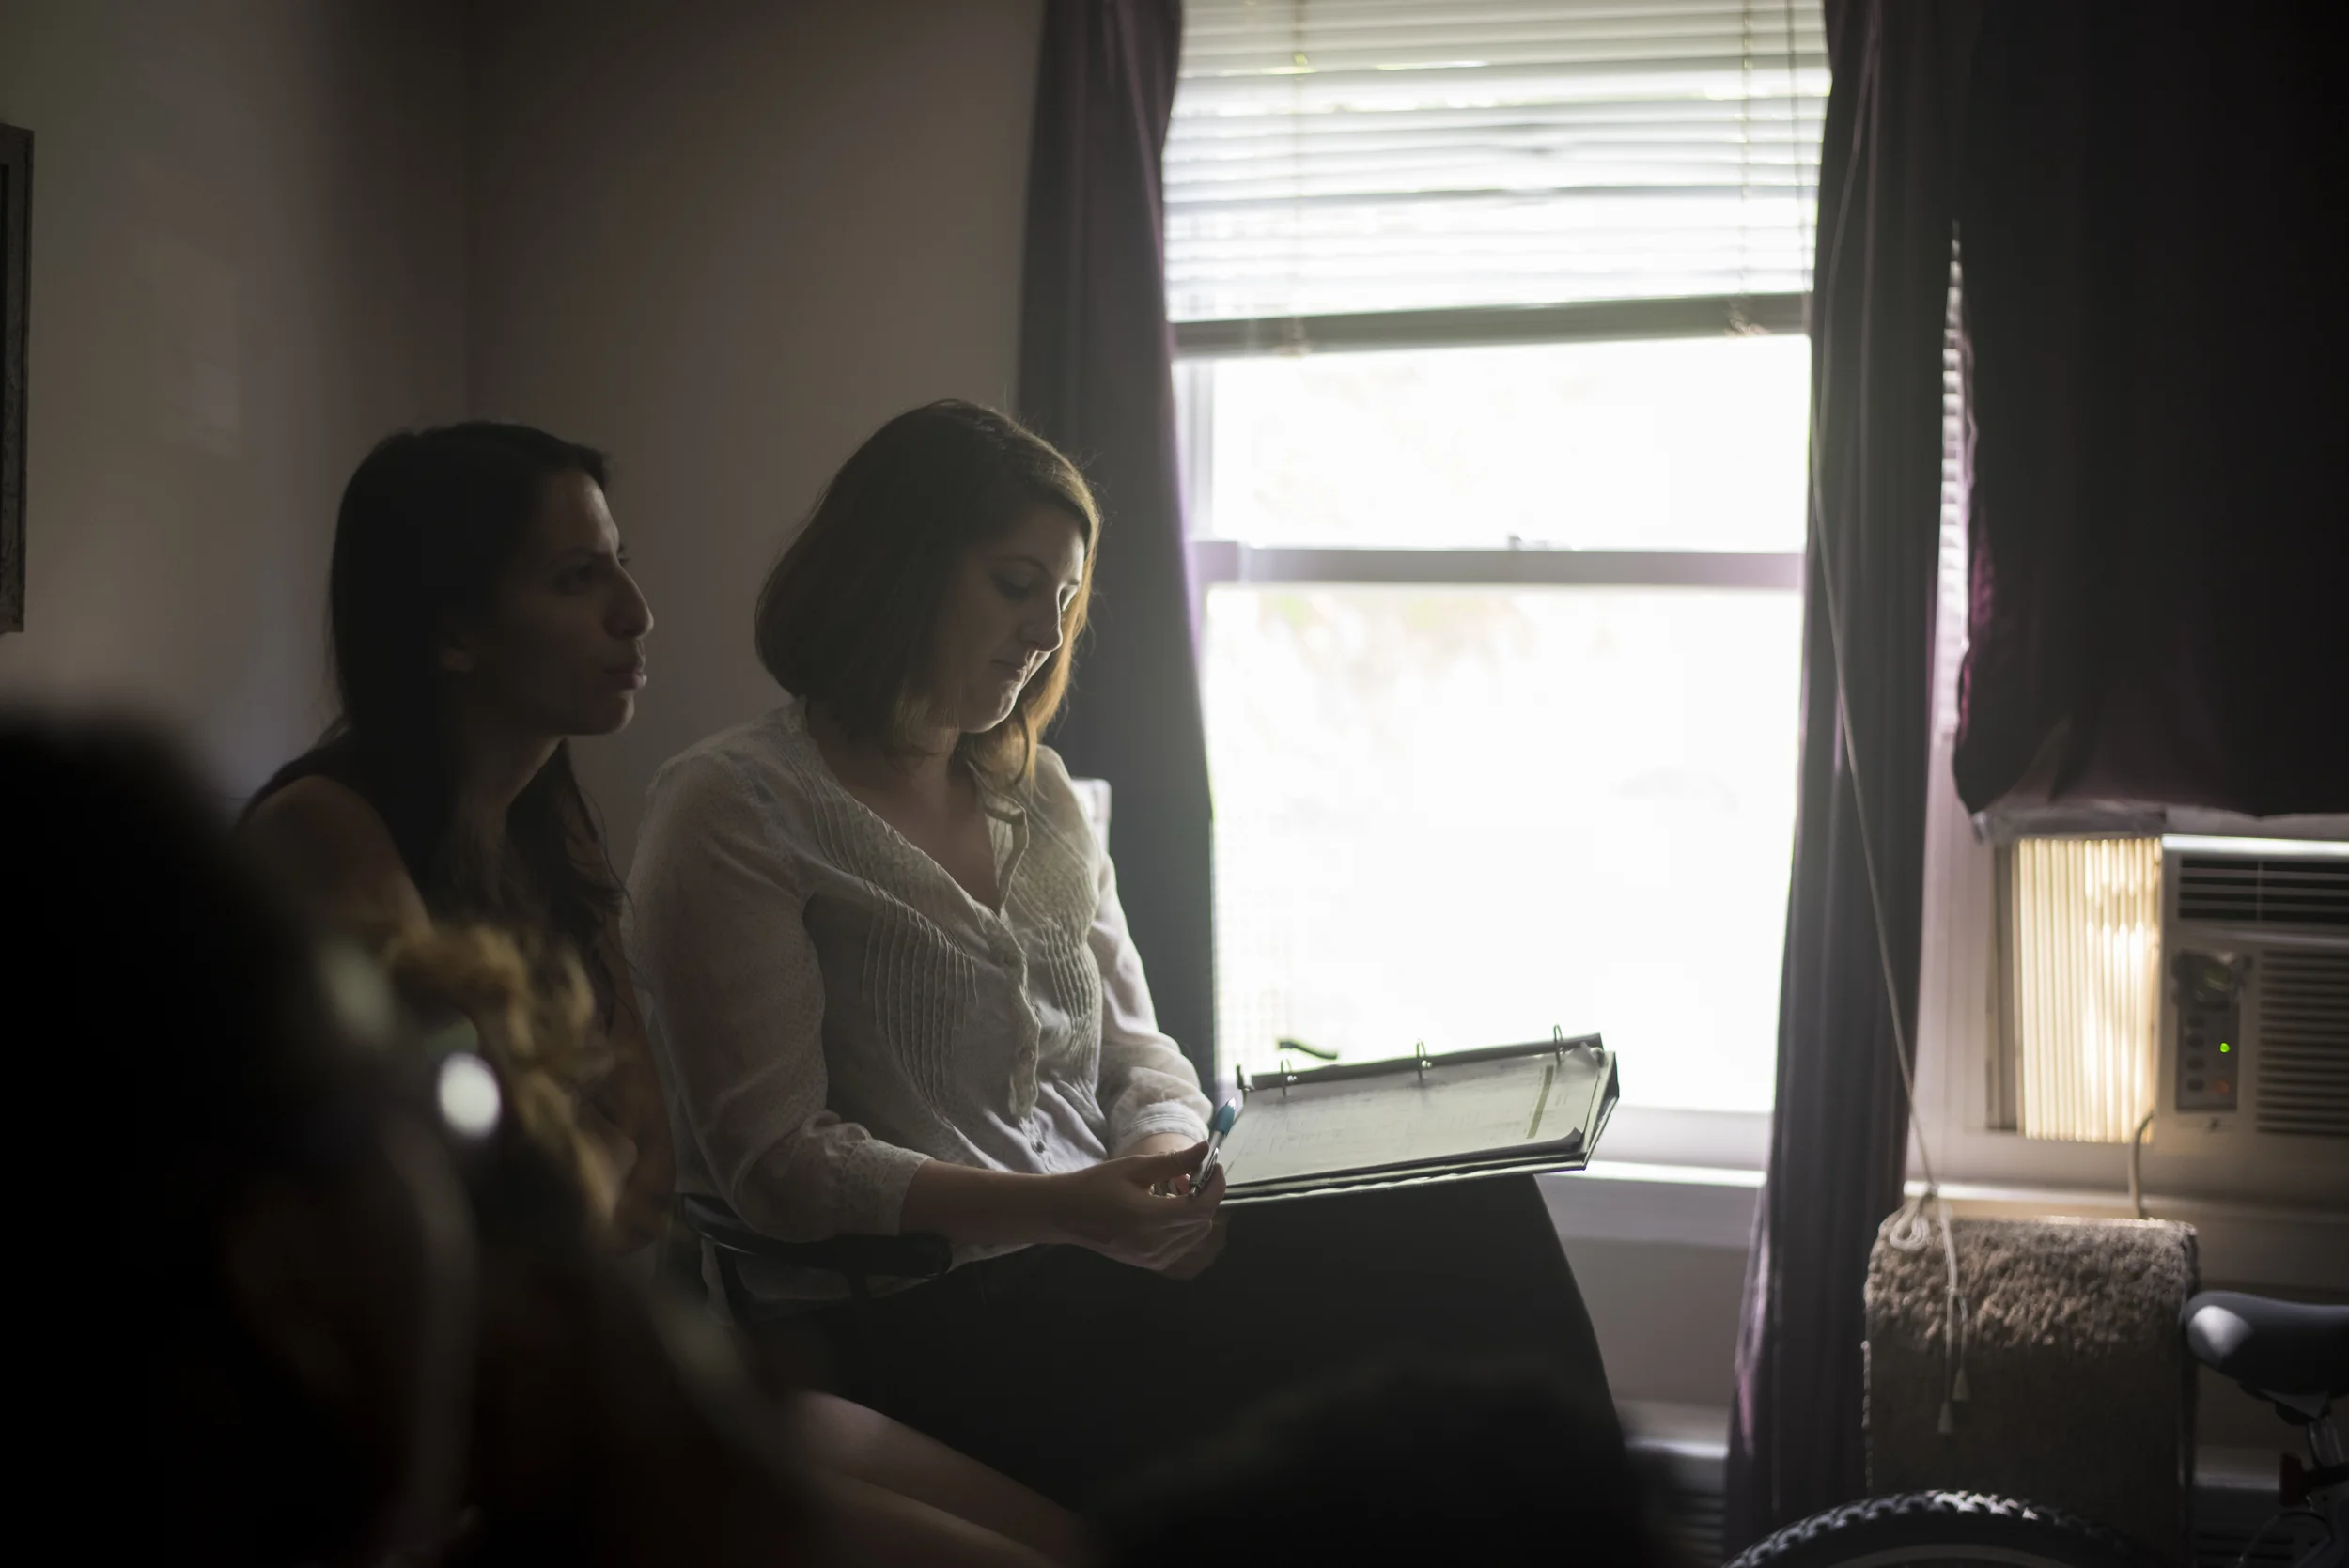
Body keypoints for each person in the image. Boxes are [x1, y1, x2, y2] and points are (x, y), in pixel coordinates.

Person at [629, 400, 1620, 1508]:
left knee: (1467, 1200)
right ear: (895, 566)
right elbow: (778, 1165)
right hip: (915, 1317)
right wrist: (1066, 1208)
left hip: (1094, 1263)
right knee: (1405, 1333)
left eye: (1063, 601)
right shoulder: (734, 806)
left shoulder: (1038, 792)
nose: (1043, 633)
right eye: (1015, 585)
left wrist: (1164, 1166)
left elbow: (1141, 1053)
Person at [234, 424, 1086, 1564]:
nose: (635, 611)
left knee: (1077, 1540)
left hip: (602, 1370)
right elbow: (502, 1198)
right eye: (575, 578)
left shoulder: (550, 832)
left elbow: (638, 1182)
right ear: (451, 630)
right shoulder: (331, 834)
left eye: (621, 564)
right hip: (463, 1424)